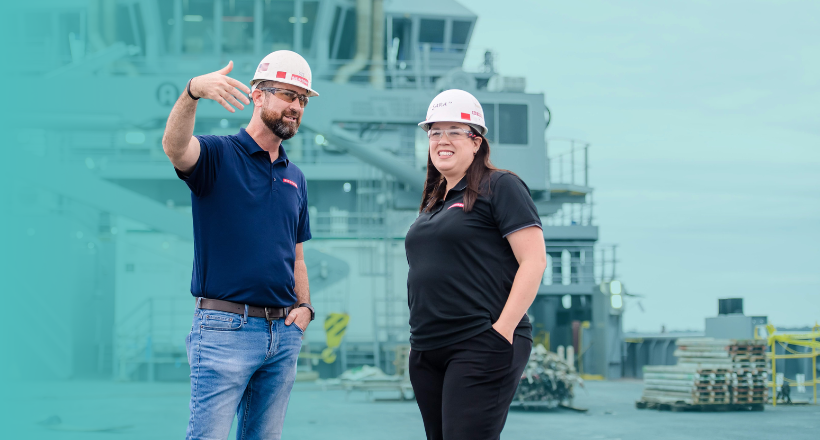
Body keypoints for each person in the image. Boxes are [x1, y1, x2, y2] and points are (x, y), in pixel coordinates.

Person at [161, 50, 318, 440]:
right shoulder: (217, 154)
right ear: (258, 95)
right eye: (287, 95)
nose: (295, 106)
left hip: (282, 334)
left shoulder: (295, 177)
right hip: (223, 329)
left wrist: (305, 308)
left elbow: (296, 255)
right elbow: (175, 148)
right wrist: (192, 91)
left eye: (302, 99)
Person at [405, 89, 547, 440]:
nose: (442, 140)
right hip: (427, 348)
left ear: (476, 141)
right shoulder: (434, 203)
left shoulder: (501, 186)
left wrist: (503, 331)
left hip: (478, 342)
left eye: (455, 130)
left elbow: (534, 260)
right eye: (435, 132)